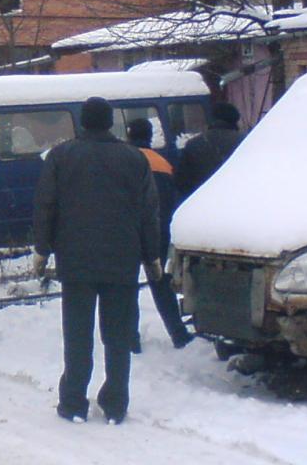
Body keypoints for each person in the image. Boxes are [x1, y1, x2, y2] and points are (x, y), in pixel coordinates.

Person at [32, 97, 161, 426]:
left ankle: (74, 401)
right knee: (117, 336)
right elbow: (148, 212)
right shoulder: (134, 159)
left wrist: (42, 249)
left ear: (82, 122)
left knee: (78, 334)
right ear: (110, 123)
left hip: (76, 261)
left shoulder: (61, 157)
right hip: (123, 260)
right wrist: (152, 256)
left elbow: (46, 204)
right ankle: (115, 403)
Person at [126, 118, 193, 350]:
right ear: (150, 136)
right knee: (161, 284)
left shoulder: (124, 160)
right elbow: (170, 201)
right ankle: (178, 333)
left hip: (130, 232)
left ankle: (131, 339)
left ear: (128, 135)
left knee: (128, 286)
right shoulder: (162, 163)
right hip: (159, 232)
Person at [174, 102, 245, 197]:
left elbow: (181, 182)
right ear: (235, 120)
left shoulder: (194, 144)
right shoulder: (245, 142)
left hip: (204, 201)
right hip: (239, 198)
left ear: (212, 119)